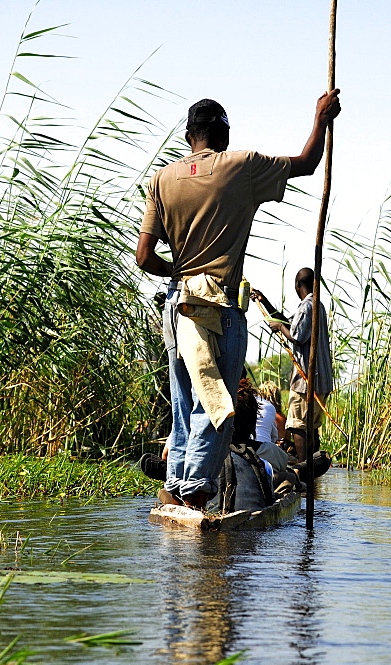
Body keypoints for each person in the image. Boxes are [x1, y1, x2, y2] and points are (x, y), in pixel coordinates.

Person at [136, 91, 342, 510]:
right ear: (224, 134)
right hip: (219, 308)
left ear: (189, 135)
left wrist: (177, 274)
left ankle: (174, 485)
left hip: (177, 308)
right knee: (216, 403)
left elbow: (144, 258)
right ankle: (194, 492)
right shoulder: (240, 167)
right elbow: (306, 163)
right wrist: (320, 118)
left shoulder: (161, 180)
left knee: (183, 402)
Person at [251, 268, 333, 464]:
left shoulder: (307, 306)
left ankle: (304, 469)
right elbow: (288, 322)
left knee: (298, 426)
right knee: (311, 427)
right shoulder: (317, 305)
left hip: (306, 379)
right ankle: (312, 471)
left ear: (298, 286)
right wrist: (264, 301)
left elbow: (295, 335)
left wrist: (279, 328)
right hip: (321, 380)